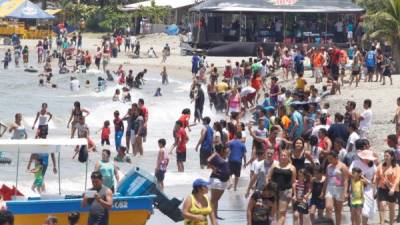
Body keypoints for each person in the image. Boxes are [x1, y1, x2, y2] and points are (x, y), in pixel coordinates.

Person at [267, 150, 296, 225]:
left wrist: (294, 194)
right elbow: (268, 177)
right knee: (274, 211)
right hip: (273, 192)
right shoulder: (274, 165)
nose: (283, 157)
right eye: (281, 155)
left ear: (288, 157)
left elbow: (293, 182)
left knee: (282, 212)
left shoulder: (292, 168)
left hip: (285, 192)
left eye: (285, 155)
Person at [349, 150, 377, 225]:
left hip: (368, 190)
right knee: (355, 212)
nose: (367, 160)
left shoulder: (373, 165)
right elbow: (350, 173)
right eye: (366, 158)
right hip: (356, 189)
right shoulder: (355, 163)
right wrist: (359, 177)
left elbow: (375, 177)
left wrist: (369, 182)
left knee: (366, 211)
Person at [375, 150, 400, 225]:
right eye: (384, 156)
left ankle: (391, 223)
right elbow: (377, 177)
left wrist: (392, 188)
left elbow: (398, 179)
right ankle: (382, 223)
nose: (385, 157)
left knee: (391, 208)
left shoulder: (396, 167)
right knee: (382, 205)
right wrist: (376, 189)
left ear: (392, 157)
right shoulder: (381, 166)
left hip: (393, 189)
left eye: (387, 156)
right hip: (382, 188)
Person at [325, 151, 349, 225]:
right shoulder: (328, 166)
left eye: (331, 159)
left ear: (336, 158)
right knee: (328, 207)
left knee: (338, 210)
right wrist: (323, 191)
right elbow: (326, 179)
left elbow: (346, 180)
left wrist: (345, 192)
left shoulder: (343, 166)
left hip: (339, 188)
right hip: (330, 187)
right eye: (328, 159)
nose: (330, 161)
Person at [208, 144, 230, 220]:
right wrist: (213, 168)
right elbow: (208, 160)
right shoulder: (216, 155)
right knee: (213, 199)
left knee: (216, 200)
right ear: (223, 150)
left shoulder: (225, 157)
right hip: (216, 179)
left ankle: (215, 215)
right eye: (227, 149)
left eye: (229, 149)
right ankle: (211, 216)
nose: (228, 150)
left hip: (224, 181)